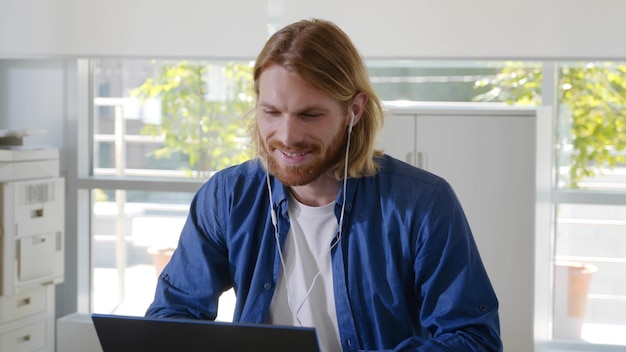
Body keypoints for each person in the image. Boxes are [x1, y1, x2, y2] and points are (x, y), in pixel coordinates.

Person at [146, 18, 502, 351]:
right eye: (271, 112)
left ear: (354, 111)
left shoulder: (422, 203)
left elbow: (473, 338)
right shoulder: (227, 197)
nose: (286, 137)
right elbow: (171, 317)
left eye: (310, 115)